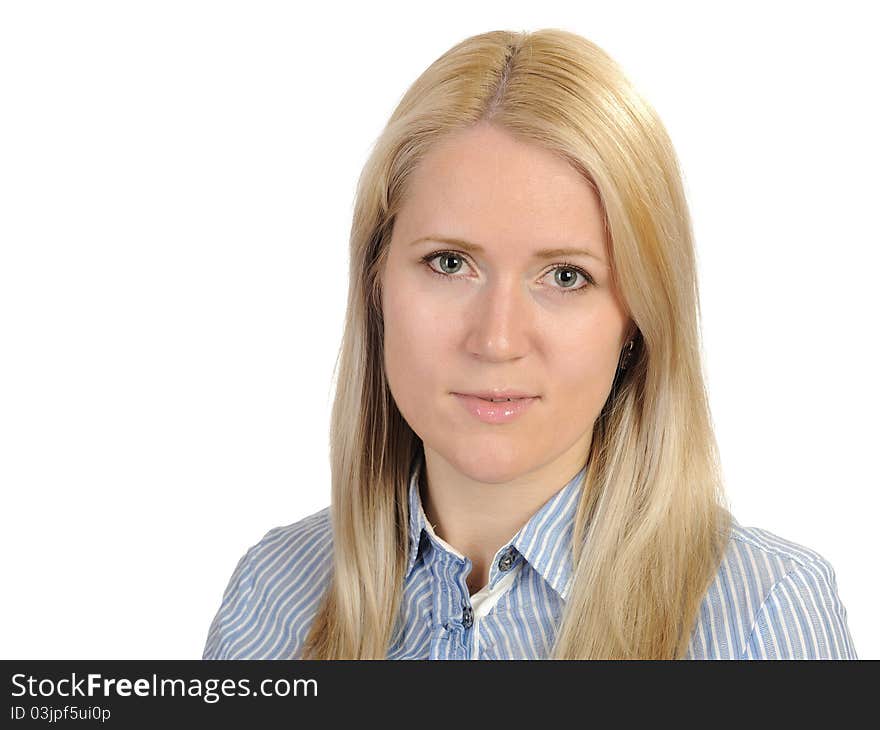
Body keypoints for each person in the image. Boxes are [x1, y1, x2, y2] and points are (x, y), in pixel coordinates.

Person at [202, 28, 857, 660]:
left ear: (639, 318)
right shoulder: (274, 598)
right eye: (450, 263)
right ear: (375, 283)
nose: (496, 339)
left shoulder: (761, 619)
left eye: (567, 276)